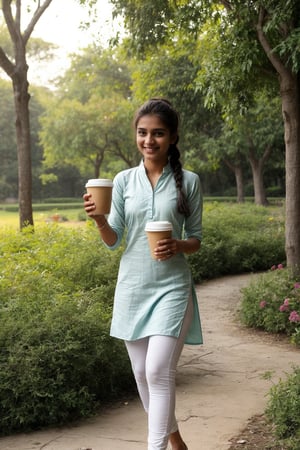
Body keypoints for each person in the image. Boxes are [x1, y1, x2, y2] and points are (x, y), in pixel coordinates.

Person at [83, 98, 203, 450]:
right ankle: (176, 440)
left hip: (172, 288)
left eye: (158, 133)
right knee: (141, 374)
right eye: (142, 132)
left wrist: (179, 246)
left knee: (157, 372)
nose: (149, 140)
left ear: (173, 137)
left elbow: (196, 239)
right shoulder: (122, 181)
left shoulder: (190, 181)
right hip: (132, 287)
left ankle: (157, 447)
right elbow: (113, 240)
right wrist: (100, 220)